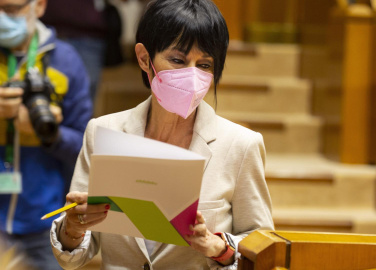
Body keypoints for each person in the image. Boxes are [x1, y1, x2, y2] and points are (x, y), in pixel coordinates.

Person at [50, 0, 274, 269]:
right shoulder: (103, 132)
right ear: (144, 58)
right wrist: (73, 228)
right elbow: (75, 255)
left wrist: (218, 248)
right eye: (178, 60)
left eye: (204, 65)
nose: (192, 76)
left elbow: (262, 246)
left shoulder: (241, 145)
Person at [0, 0, 93, 269]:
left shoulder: (66, 61)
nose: (2, 17)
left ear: (39, 6)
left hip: (43, 219)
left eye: (11, 9)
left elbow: (83, 146)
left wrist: (50, 135)